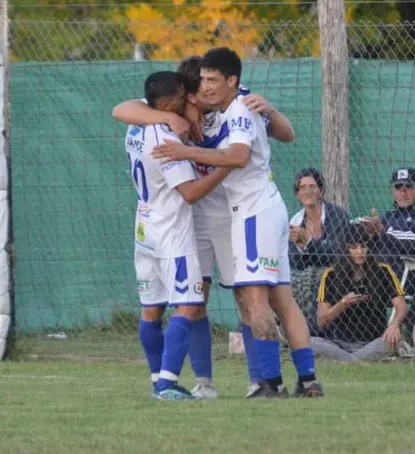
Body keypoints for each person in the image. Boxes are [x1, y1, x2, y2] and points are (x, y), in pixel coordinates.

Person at [112, 55, 296, 399]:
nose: (201, 100)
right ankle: (203, 382)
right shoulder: (169, 115)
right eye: (194, 96)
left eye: (206, 91)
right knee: (195, 300)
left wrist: (271, 110)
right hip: (190, 219)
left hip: (228, 215)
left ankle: (259, 379)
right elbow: (121, 109)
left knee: (245, 295)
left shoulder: (235, 104)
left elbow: (285, 134)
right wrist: (166, 116)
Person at [152, 47, 323, 398]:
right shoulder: (228, 104)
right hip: (255, 208)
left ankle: (268, 384)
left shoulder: (240, 108)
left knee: (253, 299)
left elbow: (241, 155)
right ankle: (307, 381)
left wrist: (186, 151)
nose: (206, 90)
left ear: (230, 81)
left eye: (212, 82)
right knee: (279, 299)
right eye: (202, 85)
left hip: (251, 211)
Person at [125, 71, 229, 400]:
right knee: (187, 304)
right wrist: (227, 164)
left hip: (144, 225)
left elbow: (123, 108)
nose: (189, 101)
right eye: (184, 97)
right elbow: (190, 192)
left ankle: (157, 379)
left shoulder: (137, 124)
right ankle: (168, 384)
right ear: (169, 102)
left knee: (151, 308)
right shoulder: (164, 136)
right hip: (171, 232)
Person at [311, 223, 408, 362]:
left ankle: (346, 361)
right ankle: (356, 361)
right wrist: (342, 304)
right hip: (338, 344)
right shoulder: (331, 275)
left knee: (394, 341)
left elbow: (402, 306)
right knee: (307, 342)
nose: (359, 251)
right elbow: (321, 321)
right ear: (344, 249)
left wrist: (394, 324)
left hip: (373, 342)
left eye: (364, 246)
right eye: (353, 247)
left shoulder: (383, 271)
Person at [359, 166, 415, 298]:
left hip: (414, 278)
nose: (403, 192)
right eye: (398, 187)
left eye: (408, 187)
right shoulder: (390, 215)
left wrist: (384, 231)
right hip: (381, 276)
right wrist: (370, 233)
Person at [288, 167, 350, 334]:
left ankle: (310, 332)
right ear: (297, 194)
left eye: (312, 186)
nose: (307, 191)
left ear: (321, 190)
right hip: (304, 273)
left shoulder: (338, 215)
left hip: (337, 271)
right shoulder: (295, 221)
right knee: (294, 279)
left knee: (320, 277)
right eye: (302, 187)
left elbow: (336, 253)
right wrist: (304, 248)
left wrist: (308, 243)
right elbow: (294, 261)